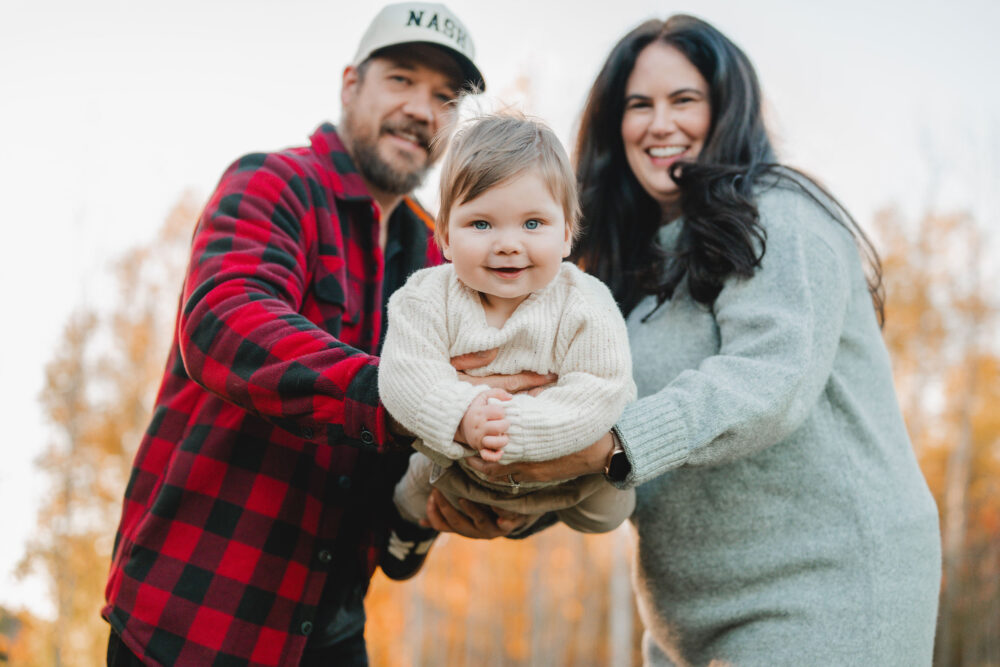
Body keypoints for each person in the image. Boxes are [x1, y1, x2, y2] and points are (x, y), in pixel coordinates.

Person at [440, 14, 942, 666]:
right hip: (687, 624)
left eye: (685, 100)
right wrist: (513, 495)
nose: (659, 123)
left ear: (726, 108)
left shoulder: (780, 213)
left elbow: (766, 380)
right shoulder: (616, 272)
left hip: (828, 591)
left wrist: (612, 446)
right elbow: (600, 434)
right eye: (638, 104)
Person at [100, 4, 514, 666]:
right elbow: (223, 322)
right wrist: (409, 396)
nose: (422, 110)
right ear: (351, 84)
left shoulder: (441, 263)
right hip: (197, 621)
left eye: (445, 98)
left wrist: (449, 498)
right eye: (402, 80)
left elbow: (451, 412)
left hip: (331, 626)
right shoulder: (274, 181)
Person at [375, 113, 637, 578]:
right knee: (411, 488)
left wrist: (520, 428)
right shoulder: (425, 297)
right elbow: (404, 374)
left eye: (533, 223)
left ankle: (536, 515)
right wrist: (461, 415)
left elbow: (602, 387)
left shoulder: (585, 301)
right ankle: (408, 532)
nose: (509, 244)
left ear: (567, 234)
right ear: (445, 237)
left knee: (611, 508)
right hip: (456, 458)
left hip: (562, 458)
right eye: (481, 224)